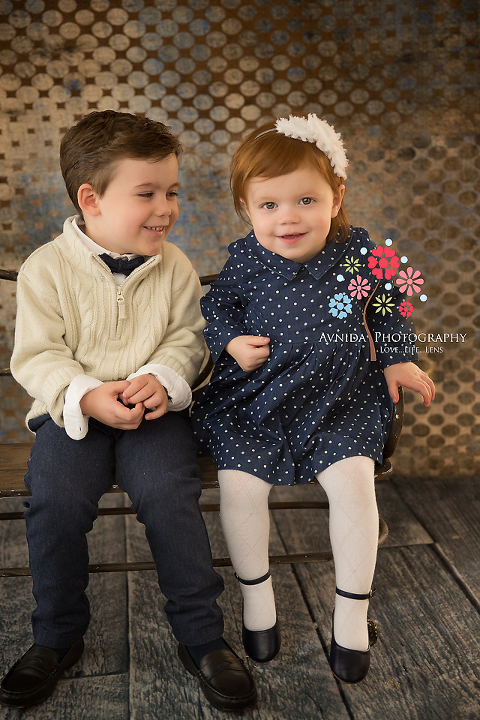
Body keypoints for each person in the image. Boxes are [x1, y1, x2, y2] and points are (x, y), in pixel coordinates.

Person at [1, 110, 256, 712]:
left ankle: (202, 636)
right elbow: (37, 356)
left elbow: (190, 338)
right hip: (74, 417)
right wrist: (85, 393)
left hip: (153, 414)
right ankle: (56, 636)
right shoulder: (47, 269)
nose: (167, 208)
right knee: (56, 501)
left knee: (170, 496)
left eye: (172, 192)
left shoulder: (175, 268)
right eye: (148, 194)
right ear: (92, 199)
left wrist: (163, 378)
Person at [192, 114, 435, 683]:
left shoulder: (356, 253)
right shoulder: (247, 258)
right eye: (269, 205)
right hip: (254, 404)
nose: (288, 217)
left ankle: (351, 617)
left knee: (353, 487)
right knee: (240, 487)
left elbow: (387, 306)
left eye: (305, 199)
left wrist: (398, 356)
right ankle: (259, 604)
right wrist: (228, 340)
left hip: (337, 402)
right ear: (247, 210)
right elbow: (214, 307)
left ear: (337, 196)